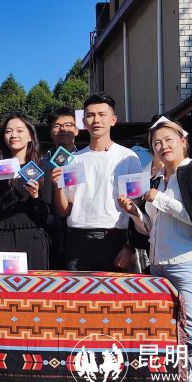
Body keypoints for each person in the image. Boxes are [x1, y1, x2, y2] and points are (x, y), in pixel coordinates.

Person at [118, 119, 192, 382]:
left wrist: (160, 199)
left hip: (188, 264)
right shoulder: (156, 181)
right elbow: (151, 229)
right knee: (172, 337)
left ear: (183, 142)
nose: (163, 146)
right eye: (157, 143)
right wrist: (135, 213)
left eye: (168, 140)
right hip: (158, 266)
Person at [50, 93, 142, 272]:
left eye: (102, 114)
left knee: (114, 291)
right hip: (77, 240)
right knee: (77, 290)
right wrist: (58, 186)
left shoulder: (129, 158)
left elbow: (137, 206)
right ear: (84, 122)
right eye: (91, 115)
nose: (96, 120)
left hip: (115, 238)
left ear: (113, 120)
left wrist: (129, 246)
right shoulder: (73, 160)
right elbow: (64, 210)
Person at [0, 114, 51, 270]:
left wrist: (35, 197)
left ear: (30, 136)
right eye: (8, 131)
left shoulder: (42, 169)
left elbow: (47, 216)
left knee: (35, 285)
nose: (13, 135)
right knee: (2, 285)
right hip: (1, 239)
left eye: (20, 130)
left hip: (32, 239)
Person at [43, 107, 79, 269]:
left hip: (76, 232)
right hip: (46, 231)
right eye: (57, 126)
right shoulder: (40, 161)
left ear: (77, 130)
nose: (63, 129)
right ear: (51, 132)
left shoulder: (84, 160)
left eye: (68, 125)